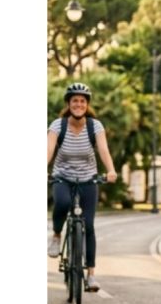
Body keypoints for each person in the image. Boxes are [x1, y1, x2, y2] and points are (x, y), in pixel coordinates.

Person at [47, 82, 118, 292]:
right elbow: (48, 150)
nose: (78, 104)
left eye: (82, 101)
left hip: (88, 179)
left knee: (89, 224)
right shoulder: (57, 126)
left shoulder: (94, 126)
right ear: (68, 104)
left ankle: (91, 275)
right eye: (74, 101)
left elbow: (103, 150)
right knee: (62, 202)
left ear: (87, 105)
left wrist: (111, 170)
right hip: (63, 177)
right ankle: (57, 235)